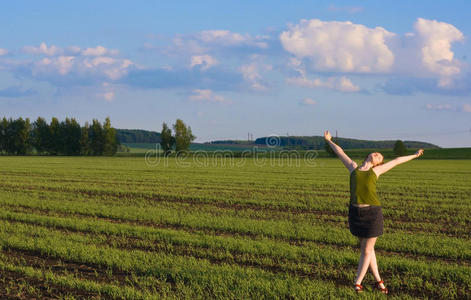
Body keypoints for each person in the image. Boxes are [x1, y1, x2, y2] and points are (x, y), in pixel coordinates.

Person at [324, 130, 424, 294]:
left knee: (366, 250)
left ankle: (357, 283)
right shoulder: (353, 168)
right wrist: (329, 140)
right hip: (355, 214)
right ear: (369, 155)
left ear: (378, 164)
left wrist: (414, 155)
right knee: (369, 250)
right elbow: (340, 152)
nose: (378, 155)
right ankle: (379, 281)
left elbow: (397, 161)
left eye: (380, 157)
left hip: (372, 214)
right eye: (377, 154)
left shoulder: (376, 172)